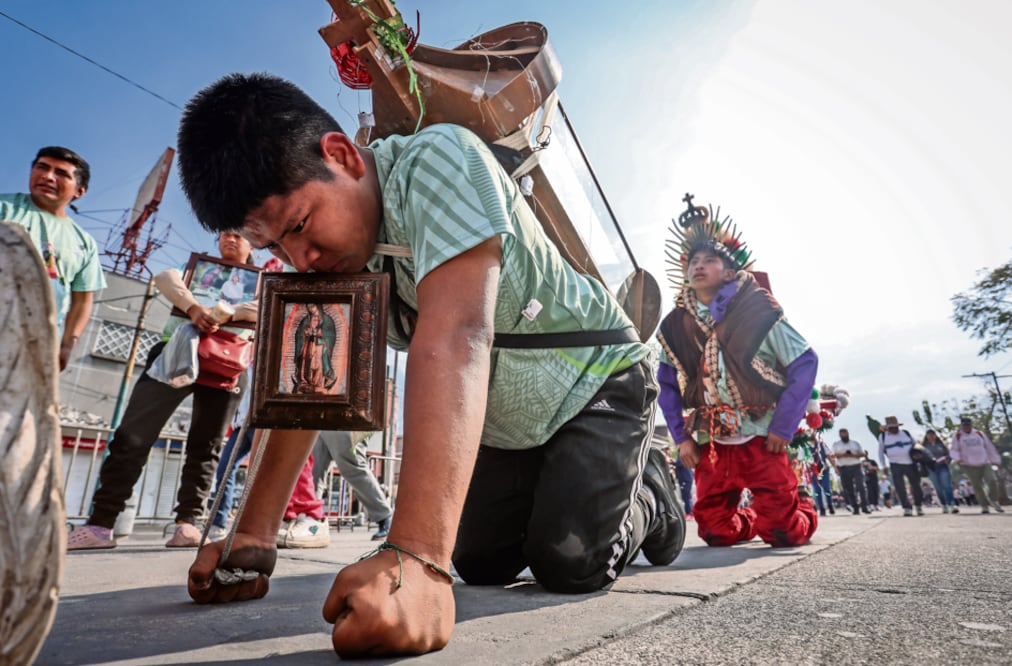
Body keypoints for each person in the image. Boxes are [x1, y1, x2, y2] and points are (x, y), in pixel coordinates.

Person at [176, 72, 683, 657]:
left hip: (595, 381)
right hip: (511, 421)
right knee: (481, 562)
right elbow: (307, 388)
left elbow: (459, 335)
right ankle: (576, 486)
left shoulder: (440, 159)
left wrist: (416, 561)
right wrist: (252, 536)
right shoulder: (331, 258)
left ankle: (649, 492)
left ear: (342, 156)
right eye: (276, 249)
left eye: (298, 226)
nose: (301, 258)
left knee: (570, 562)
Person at [66, 231, 258, 550]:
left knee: (207, 445)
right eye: (224, 232)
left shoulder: (260, 280)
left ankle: (188, 524)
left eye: (239, 234)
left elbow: (261, 308)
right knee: (131, 436)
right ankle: (100, 525)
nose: (230, 238)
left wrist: (227, 313)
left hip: (227, 360)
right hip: (174, 351)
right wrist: (195, 308)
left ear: (252, 243)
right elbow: (166, 277)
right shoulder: (197, 266)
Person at [656, 196, 819, 548]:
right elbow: (666, 384)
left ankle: (800, 503)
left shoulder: (759, 308)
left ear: (729, 272)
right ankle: (754, 520)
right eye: (693, 261)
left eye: (709, 260)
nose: (698, 266)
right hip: (714, 444)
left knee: (784, 534)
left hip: (764, 435)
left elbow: (805, 363)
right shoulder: (674, 325)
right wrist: (682, 439)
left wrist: (783, 426)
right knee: (715, 532)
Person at [1, 146, 107, 371]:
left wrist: (68, 344)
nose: (48, 176)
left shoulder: (84, 243)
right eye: (42, 167)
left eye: (61, 173)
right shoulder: (5, 208)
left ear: (79, 191)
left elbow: (82, 301)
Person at [313, 431, 394, 540]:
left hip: (346, 420)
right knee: (313, 470)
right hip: (322, 422)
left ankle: (385, 517)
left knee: (352, 466)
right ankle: (311, 520)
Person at [949, 416, 1004, 514]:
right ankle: (984, 506)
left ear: (971, 425)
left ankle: (994, 500)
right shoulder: (958, 436)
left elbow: (989, 447)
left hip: (984, 462)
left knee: (992, 480)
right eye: (964, 425)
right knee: (977, 486)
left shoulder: (979, 434)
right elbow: (954, 449)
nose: (966, 427)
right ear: (961, 426)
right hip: (969, 464)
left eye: (968, 425)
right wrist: (958, 459)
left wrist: (995, 460)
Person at [877, 416, 924, 516]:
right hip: (895, 464)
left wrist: (919, 455)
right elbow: (880, 452)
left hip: (910, 463)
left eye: (896, 427)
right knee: (900, 487)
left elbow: (916, 445)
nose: (894, 429)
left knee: (916, 485)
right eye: (892, 427)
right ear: (888, 428)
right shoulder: (883, 437)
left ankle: (918, 505)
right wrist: (884, 466)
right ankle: (907, 507)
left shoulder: (905, 433)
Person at [832, 428, 870, 515]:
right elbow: (833, 455)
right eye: (842, 434)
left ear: (848, 434)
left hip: (856, 466)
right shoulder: (836, 444)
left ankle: (864, 506)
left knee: (861, 486)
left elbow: (862, 454)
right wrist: (843, 455)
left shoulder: (855, 443)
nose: (844, 436)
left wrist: (853, 455)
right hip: (844, 467)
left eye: (845, 434)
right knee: (849, 489)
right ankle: (855, 507)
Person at [921, 429, 958, 514]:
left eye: (932, 434)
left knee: (947, 486)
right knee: (938, 487)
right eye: (929, 435)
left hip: (943, 467)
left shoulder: (941, 444)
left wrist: (947, 459)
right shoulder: (924, 446)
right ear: (926, 436)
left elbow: (948, 454)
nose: (931, 436)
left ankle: (952, 504)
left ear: (935, 435)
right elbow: (921, 457)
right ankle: (944, 504)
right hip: (931, 468)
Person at [810, 437, 836, 517]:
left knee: (826, 488)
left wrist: (835, 467)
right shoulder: (805, 447)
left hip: (824, 470)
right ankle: (821, 508)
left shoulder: (821, 444)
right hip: (813, 472)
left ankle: (830, 505)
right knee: (817, 491)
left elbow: (829, 456)